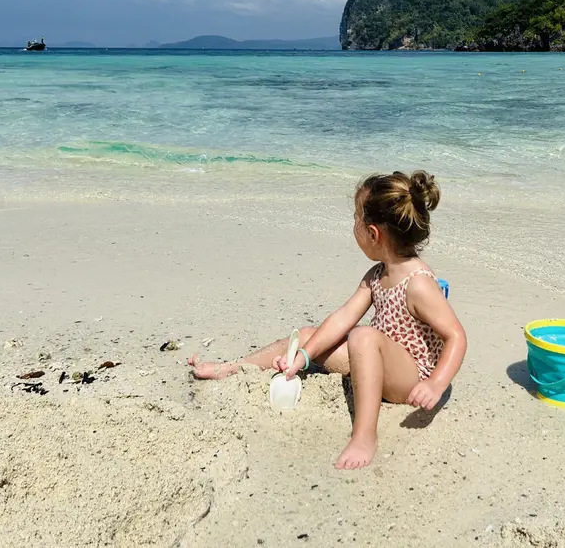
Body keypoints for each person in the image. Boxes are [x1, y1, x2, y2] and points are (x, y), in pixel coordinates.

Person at [189, 170, 467, 470]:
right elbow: (344, 317)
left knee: (362, 336)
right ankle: (234, 367)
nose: (353, 226)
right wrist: (305, 356)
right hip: (376, 361)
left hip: (413, 378)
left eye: (356, 218)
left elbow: (456, 336)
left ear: (373, 233)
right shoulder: (377, 274)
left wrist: (437, 384)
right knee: (311, 333)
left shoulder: (418, 283)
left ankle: (364, 436)